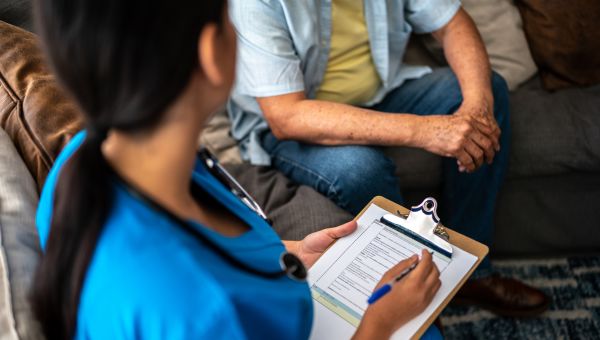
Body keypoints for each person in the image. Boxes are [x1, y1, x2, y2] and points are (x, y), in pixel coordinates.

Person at [30, 0, 444, 339]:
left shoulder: (83, 161)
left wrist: (287, 252)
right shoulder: (206, 313)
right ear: (212, 51)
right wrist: (379, 323)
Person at [227, 0, 549, 316]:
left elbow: (453, 23)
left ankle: (470, 275)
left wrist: (477, 110)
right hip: (294, 124)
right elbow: (287, 117)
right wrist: (427, 131)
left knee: (486, 87)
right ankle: (414, 287)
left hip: (382, 94)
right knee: (360, 169)